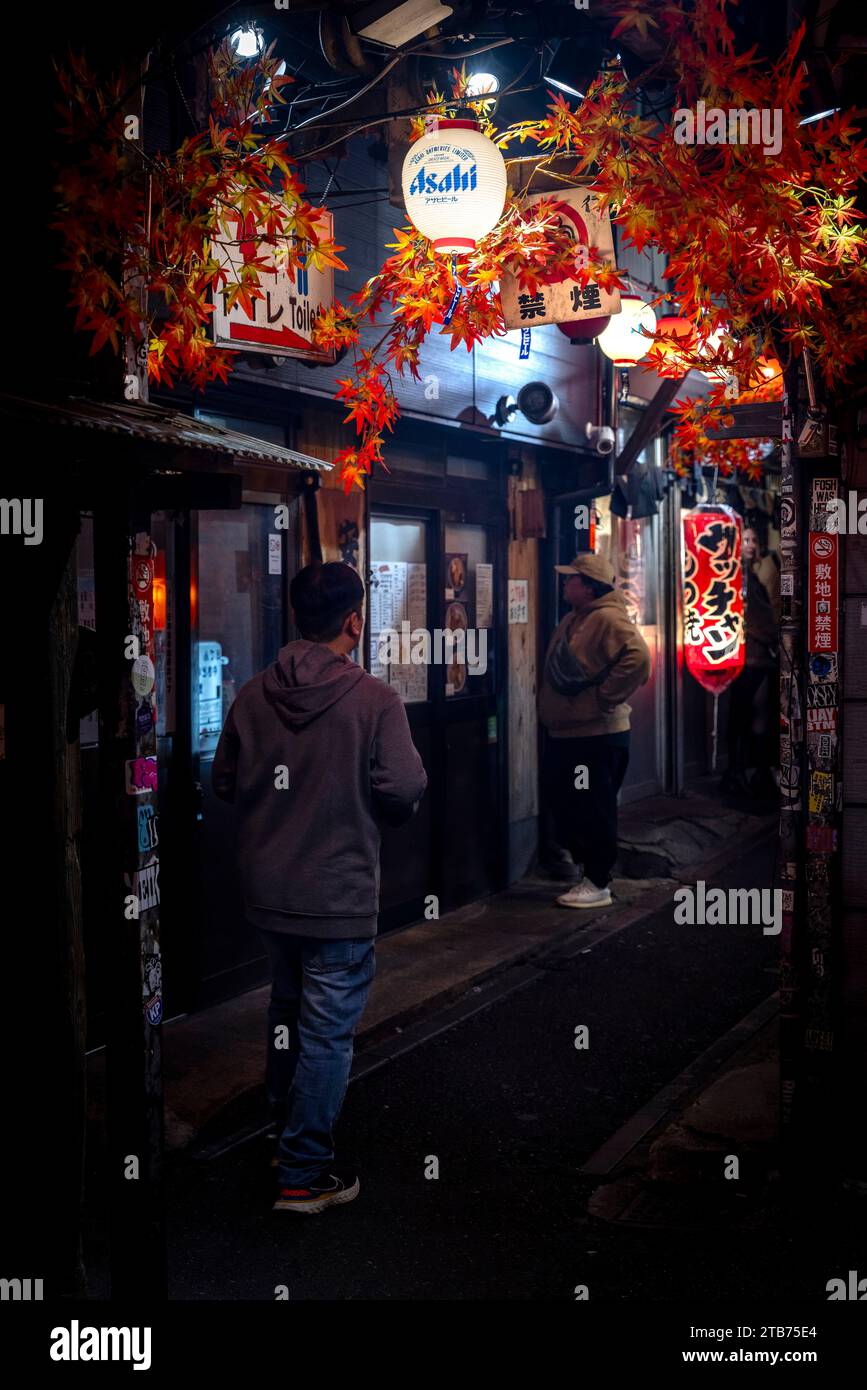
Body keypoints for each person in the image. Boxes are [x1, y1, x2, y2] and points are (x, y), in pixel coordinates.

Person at [212, 561, 427, 1213]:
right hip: (336, 893)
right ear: (354, 621)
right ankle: (304, 1173)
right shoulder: (374, 700)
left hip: (270, 891)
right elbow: (405, 785)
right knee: (326, 1031)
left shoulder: (253, 694)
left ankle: (286, 1140)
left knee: (286, 1013)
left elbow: (225, 781)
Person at [539, 554, 652, 909]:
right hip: (569, 734)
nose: (564, 583)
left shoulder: (607, 617)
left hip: (596, 736)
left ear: (588, 586)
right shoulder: (576, 617)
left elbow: (639, 657)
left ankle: (598, 880)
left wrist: (606, 697)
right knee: (570, 803)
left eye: (571, 578)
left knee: (593, 807)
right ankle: (588, 873)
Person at [723, 519, 781, 797]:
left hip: (748, 658)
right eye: (743, 541)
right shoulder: (742, 576)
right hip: (749, 657)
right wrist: (772, 636)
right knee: (749, 717)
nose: (749, 546)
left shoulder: (749, 574)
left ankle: (745, 772)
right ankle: (744, 773)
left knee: (749, 717)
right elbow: (762, 619)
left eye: (752, 541)